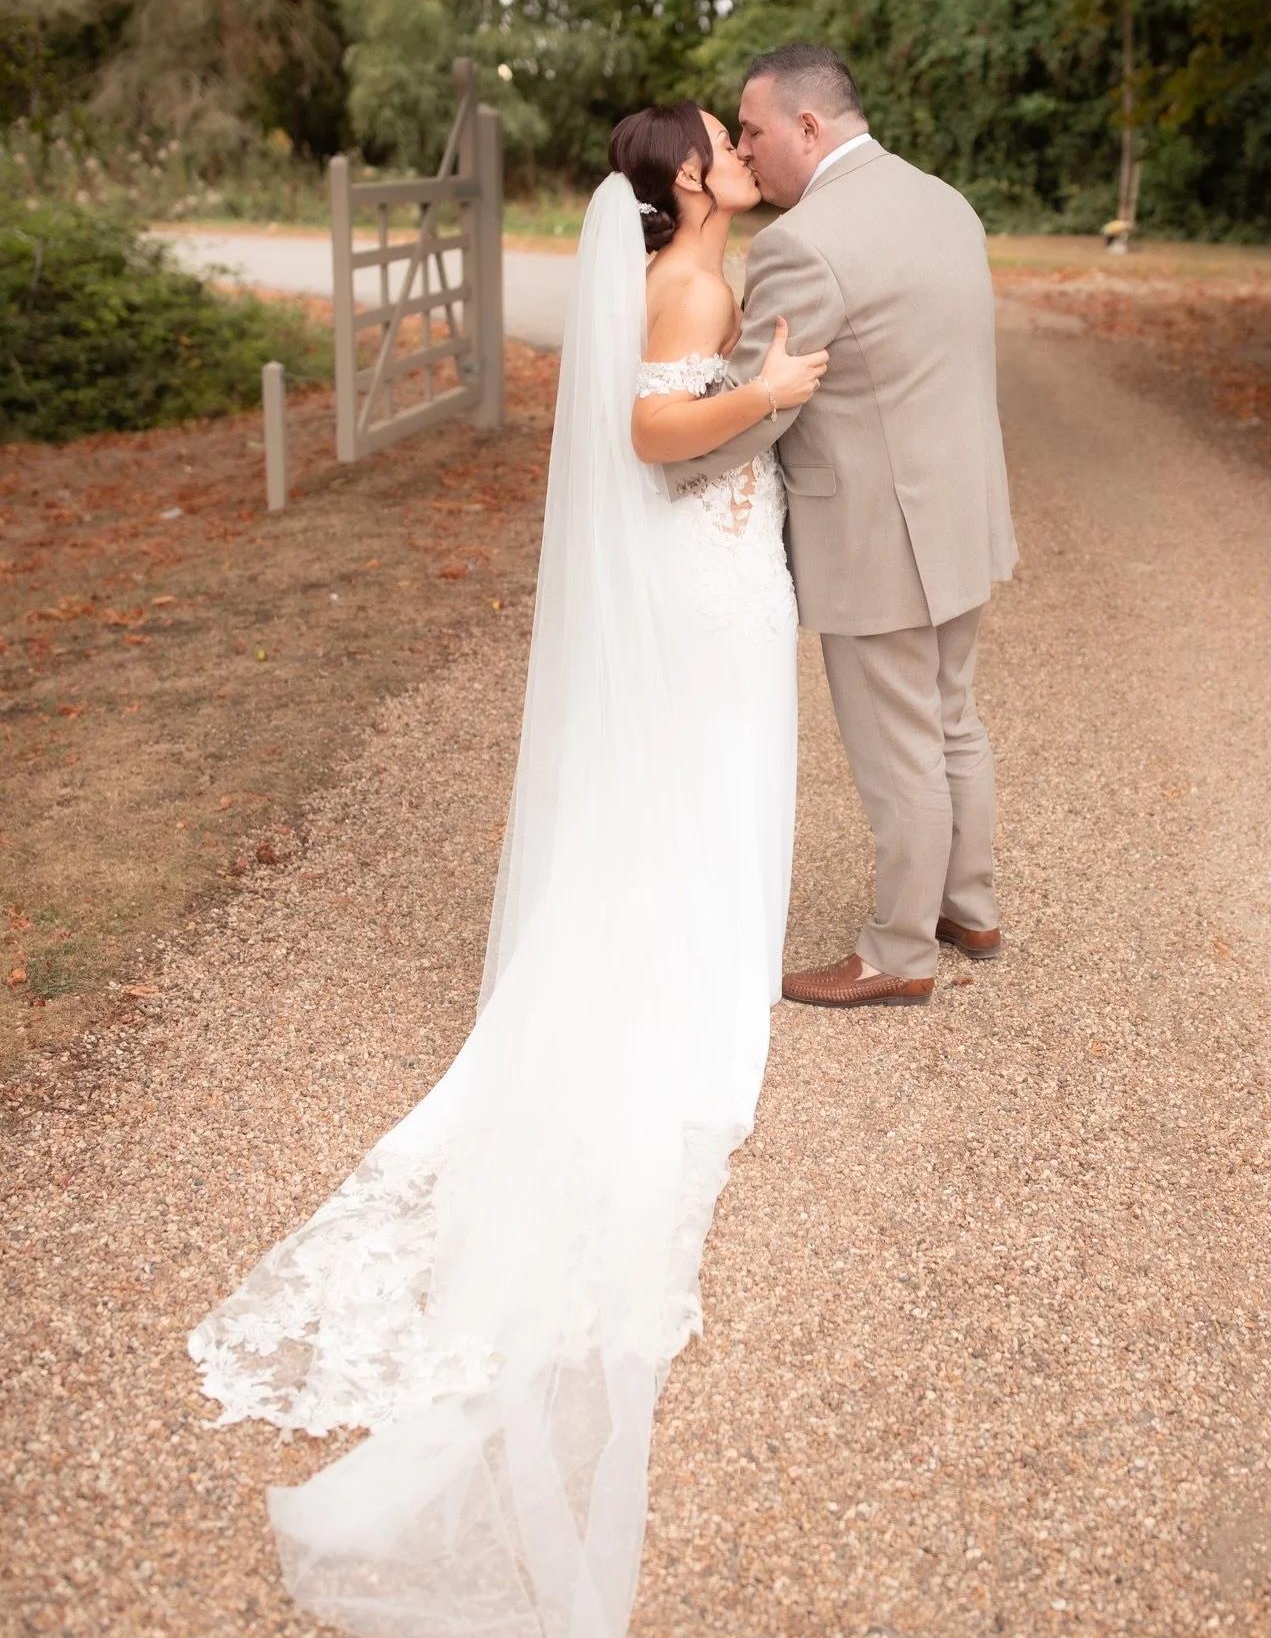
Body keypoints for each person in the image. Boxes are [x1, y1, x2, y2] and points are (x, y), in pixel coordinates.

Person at [188, 102, 825, 1638]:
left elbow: (680, 400)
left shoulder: (700, 277)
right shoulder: (688, 280)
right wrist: (770, 389)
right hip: (708, 569)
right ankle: (684, 973)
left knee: (697, 775)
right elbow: (648, 430)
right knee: (699, 767)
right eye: (723, 147)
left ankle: (697, 941)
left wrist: (746, 378)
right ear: (690, 183)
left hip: (718, 561)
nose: (743, 155)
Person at [666, 42, 1018, 1007]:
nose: (745, 148)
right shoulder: (945, 201)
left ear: (809, 127)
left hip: (878, 531)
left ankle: (898, 954)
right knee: (952, 717)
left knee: (898, 741)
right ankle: (968, 905)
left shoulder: (802, 242)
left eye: (752, 130)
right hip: (959, 509)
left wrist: (661, 458)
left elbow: (761, 403)